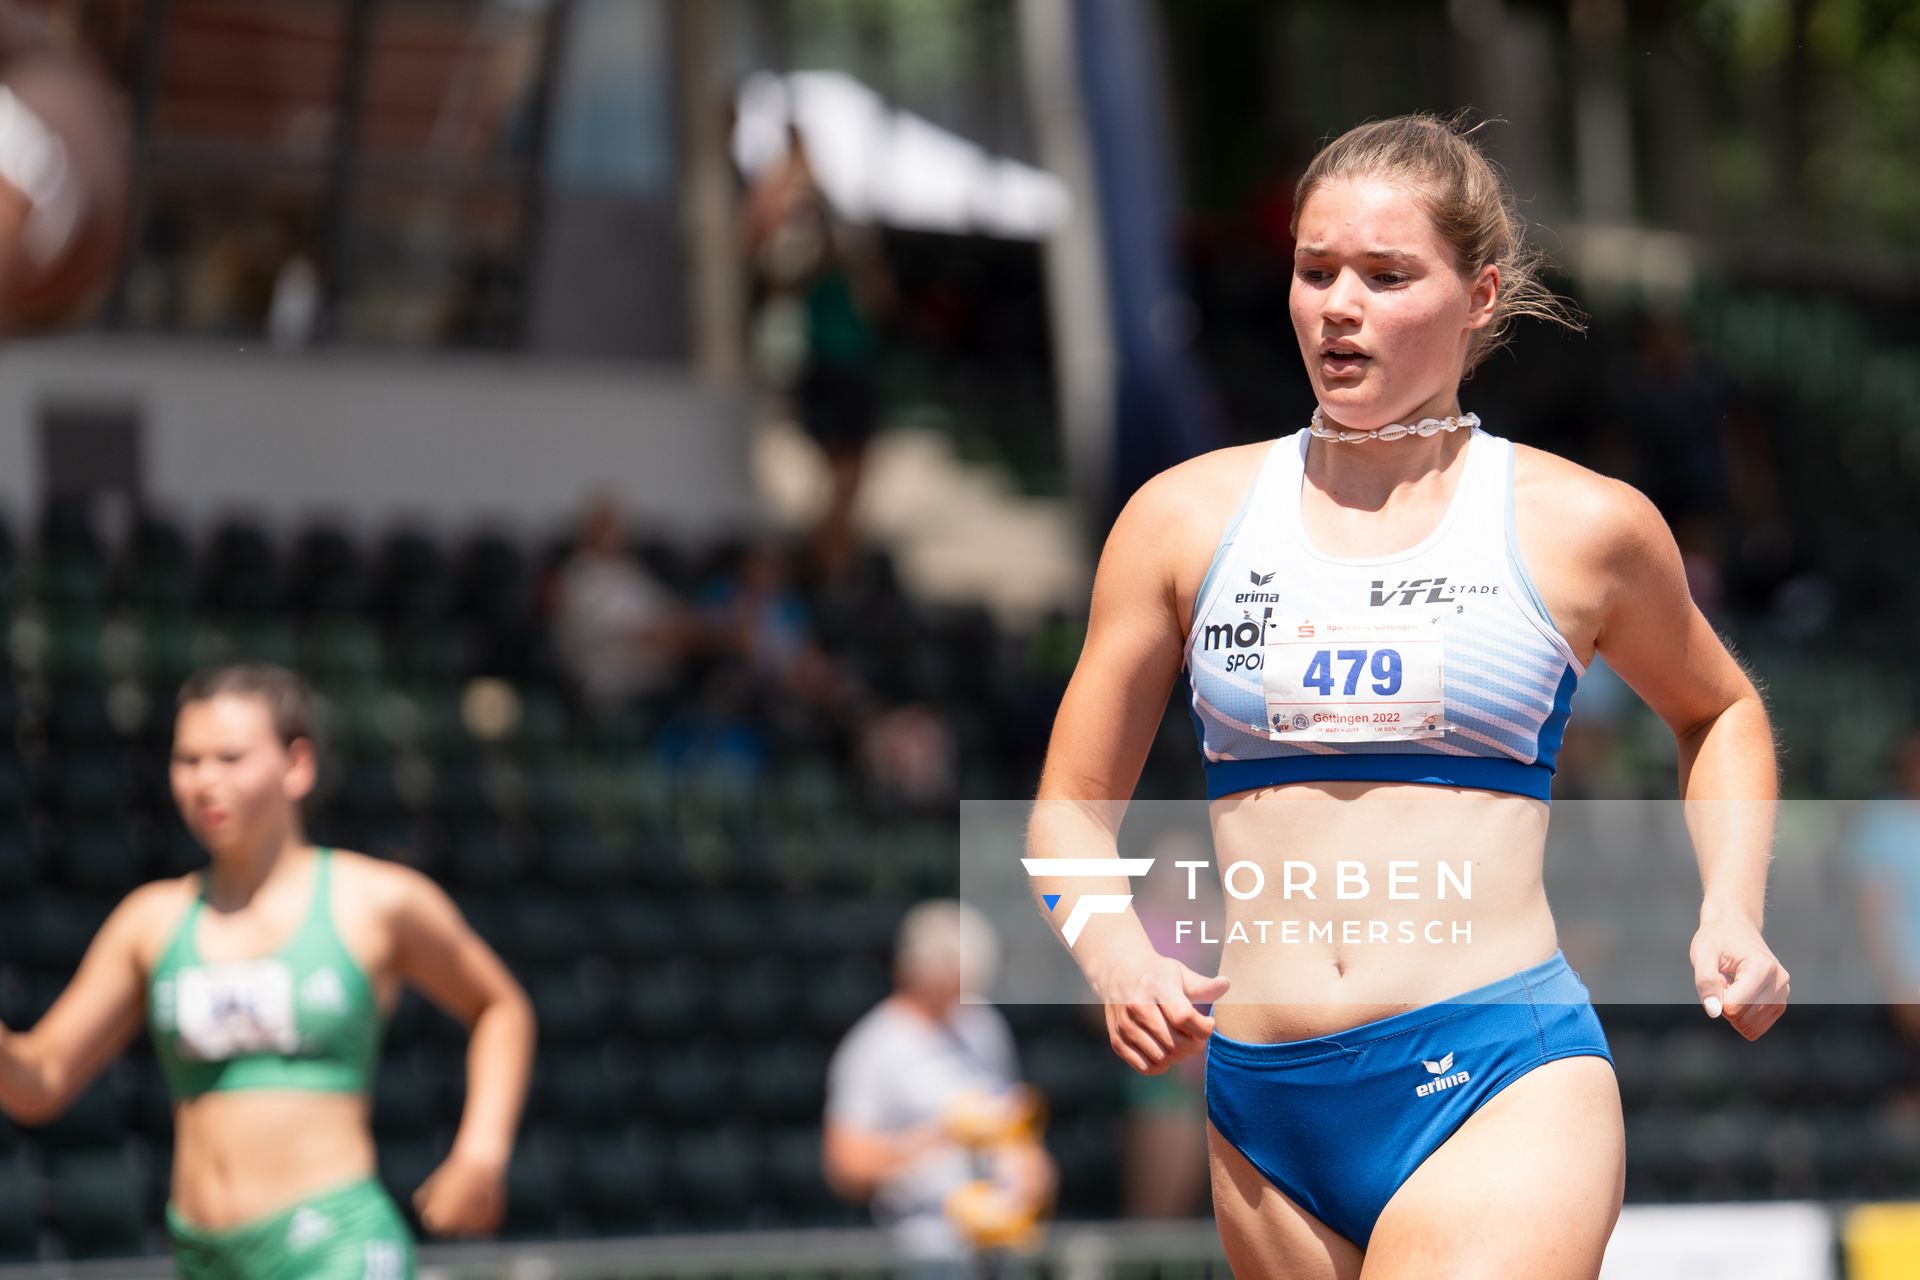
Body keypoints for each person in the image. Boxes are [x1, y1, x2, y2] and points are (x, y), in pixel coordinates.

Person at [1025, 114, 1788, 1279]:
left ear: (1480, 295)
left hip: (1493, 1077)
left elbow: (1720, 709)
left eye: (1386, 276)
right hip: (1262, 1110)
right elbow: (1068, 808)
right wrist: (1118, 953)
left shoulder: (1581, 523)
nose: (1340, 304)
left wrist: (1732, 904)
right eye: (1314, 269)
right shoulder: (1180, 518)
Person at [0, 664, 536, 1278]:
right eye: (187, 760)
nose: (205, 782)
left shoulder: (377, 901)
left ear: (297, 766)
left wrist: (481, 1154)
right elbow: (39, 1081)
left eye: (230, 758)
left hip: (334, 1245)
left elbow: (500, 1007)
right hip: (206, 1256)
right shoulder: (150, 922)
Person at [823, 900, 1055, 1277]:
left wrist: (1031, 1172)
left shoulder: (983, 1024)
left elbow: (1015, 1127)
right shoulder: (873, 1046)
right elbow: (844, 1164)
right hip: (924, 1248)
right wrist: (942, 1138)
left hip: (1002, 1242)